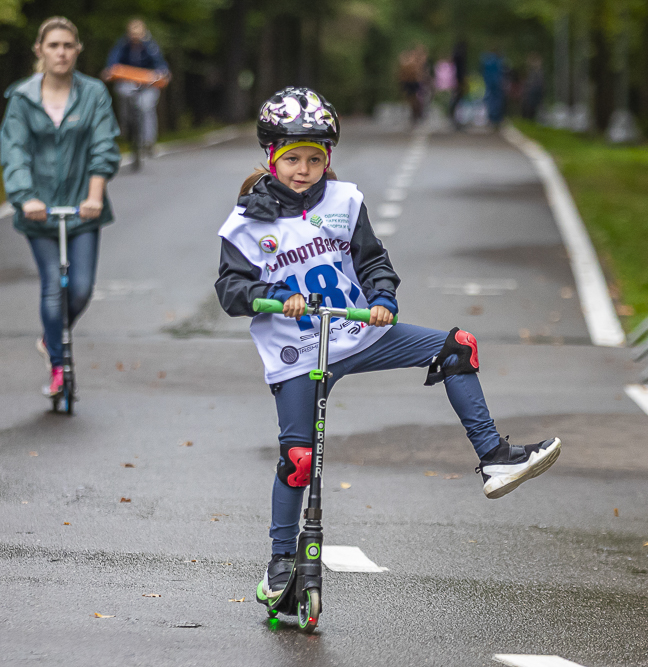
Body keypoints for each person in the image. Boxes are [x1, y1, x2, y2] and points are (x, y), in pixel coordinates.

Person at [214, 87, 562, 604]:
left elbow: (373, 260)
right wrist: (272, 296)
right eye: (293, 160)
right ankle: (281, 562)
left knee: (456, 347)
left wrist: (382, 298)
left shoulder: (345, 202)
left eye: (315, 159)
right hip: (298, 351)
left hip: (358, 333)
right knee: (299, 461)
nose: (304, 169)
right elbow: (229, 290)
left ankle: (494, 457)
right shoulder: (247, 225)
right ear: (272, 158)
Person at [0, 16, 120, 397]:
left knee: (80, 289)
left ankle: (49, 336)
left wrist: (95, 195)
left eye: (68, 45)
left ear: (77, 50)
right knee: (54, 286)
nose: (61, 52)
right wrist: (25, 197)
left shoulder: (94, 93)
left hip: (84, 209)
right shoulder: (22, 97)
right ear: (40, 50)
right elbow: (13, 151)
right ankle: (57, 366)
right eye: (53, 45)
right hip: (39, 209)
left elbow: (104, 145)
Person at [104, 18, 168, 149]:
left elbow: (160, 63)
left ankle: (148, 141)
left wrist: (162, 73)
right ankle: (126, 127)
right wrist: (110, 70)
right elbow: (113, 60)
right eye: (133, 34)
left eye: (138, 34)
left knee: (146, 107)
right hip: (128, 81)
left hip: (148, 84)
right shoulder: (123, 45)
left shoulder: (150, 46)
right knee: (122, 94)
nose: (135, 37)